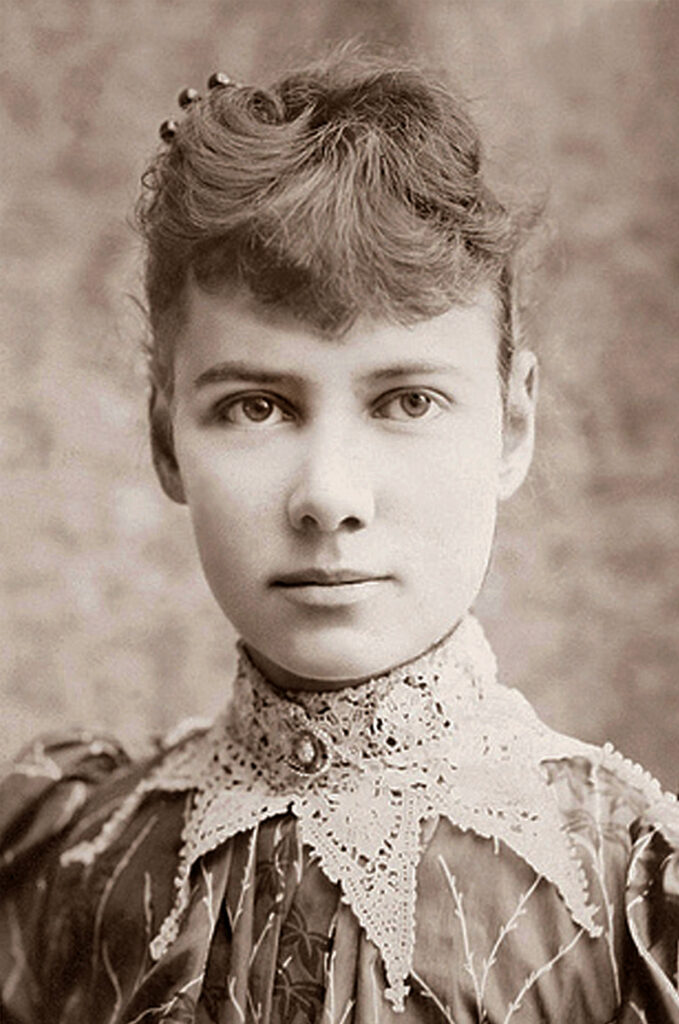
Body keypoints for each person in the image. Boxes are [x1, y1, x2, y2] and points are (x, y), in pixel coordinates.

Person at [1, 47, 678, 1024]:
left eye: (406, 399)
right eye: (255, 407)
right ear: (164, 437)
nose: (328, 496)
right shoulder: (77, 861)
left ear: (511, 424)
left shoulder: (617, 889)